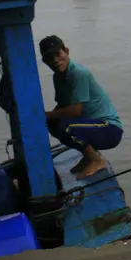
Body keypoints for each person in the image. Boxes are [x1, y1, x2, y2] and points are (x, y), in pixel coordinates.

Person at [39, 35, 123, 178]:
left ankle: (97, 160)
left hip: (109, 129)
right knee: (52, 123)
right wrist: (43, 119)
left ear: (66, 51)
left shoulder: (78, 73)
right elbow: (62, 105)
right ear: (44, 61)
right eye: (49, 58)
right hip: (90, 126)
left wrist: (46, 114)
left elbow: (76, 111)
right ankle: (88, 156)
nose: (55, 61)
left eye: (58, 54)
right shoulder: (58, 77)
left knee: (67, 126)